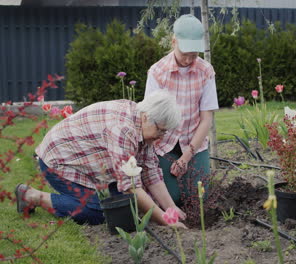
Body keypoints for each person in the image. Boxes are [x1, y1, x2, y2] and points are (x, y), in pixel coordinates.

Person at [15, 90, 187, 229]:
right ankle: (32, 196)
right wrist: (165, 221)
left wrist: (171, 209)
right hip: (59, 161)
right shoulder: (123, 129)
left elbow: (150, 172)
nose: (161, 137)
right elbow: (130, 187)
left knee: (125, 207)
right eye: (161, 131)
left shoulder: (143, 123)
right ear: (146, 117)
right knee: (99, 212)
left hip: (86, 162)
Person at [144, 14, 218, 204]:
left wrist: (186, 157)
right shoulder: (157, 72)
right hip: (164, 144)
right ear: (174, 41)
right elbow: (150, 119)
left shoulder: (206, 71)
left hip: (194, 142)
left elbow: (206, 118)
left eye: (194, 54)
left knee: (199, 197)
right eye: (185, 53)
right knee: (172, 199)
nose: (188, 60)